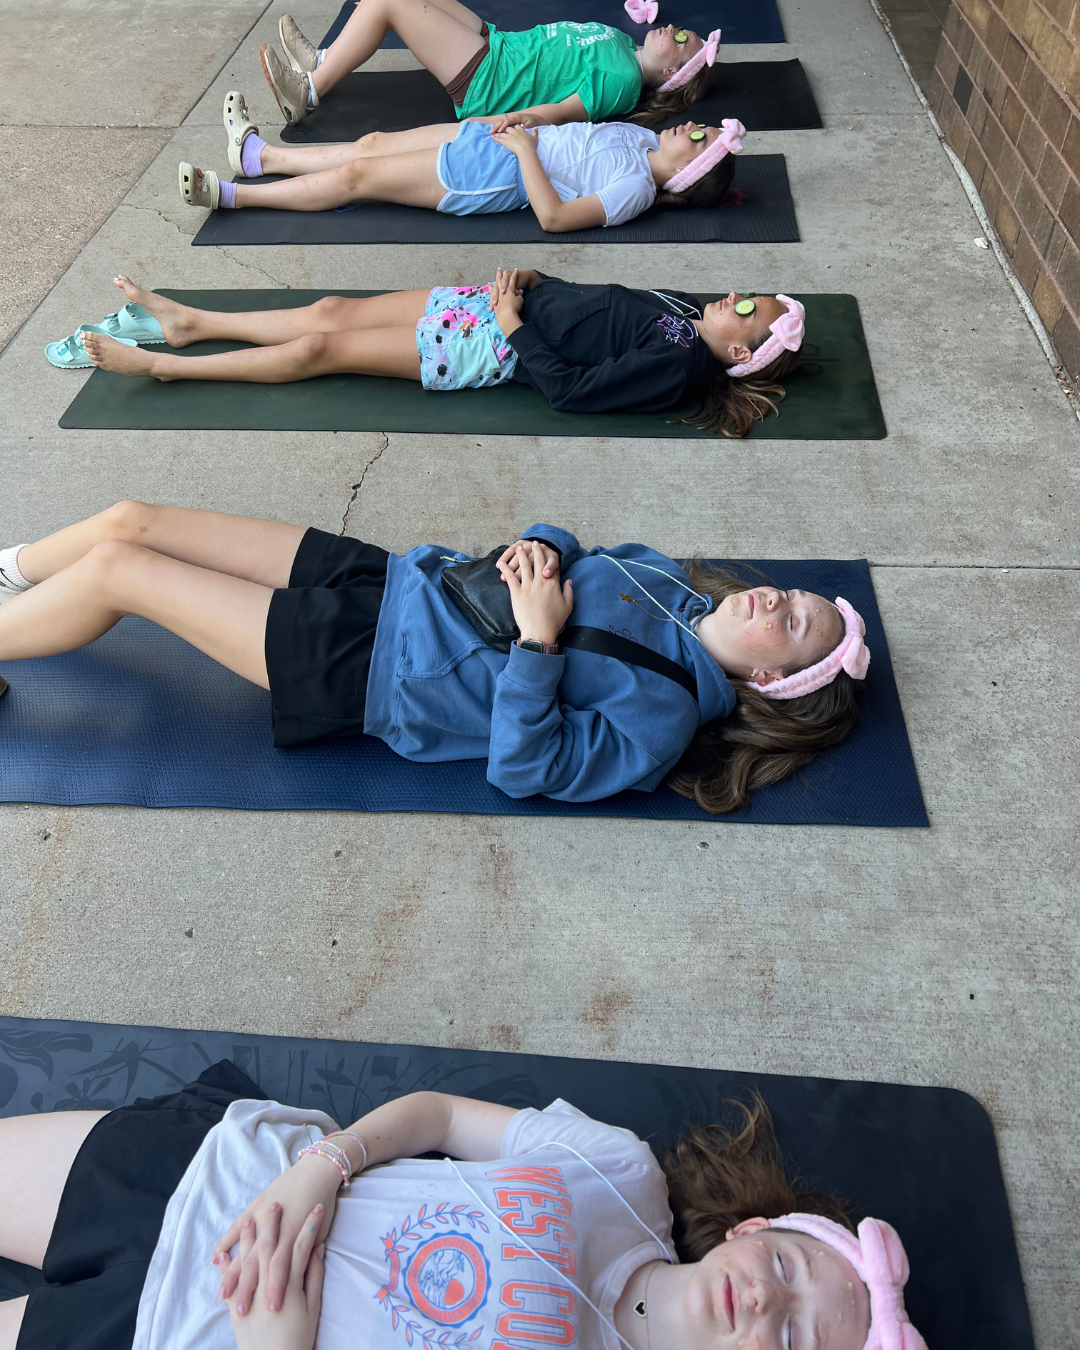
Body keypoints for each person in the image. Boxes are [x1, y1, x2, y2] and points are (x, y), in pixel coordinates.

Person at [0, 500, 870, 812]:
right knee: (129, 522)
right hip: (391, 578)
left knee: (123, 572)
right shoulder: (662, 575)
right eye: (793, 598)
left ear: (767, 682)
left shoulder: (665, 720)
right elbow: (566, 537)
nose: (776, 599)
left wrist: (538, 638)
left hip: (368, 668)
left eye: (790, 627)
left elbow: (526, 767)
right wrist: (539, 549)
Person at [0, 1068, 928, 1350]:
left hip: (160, 1336)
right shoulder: (622, 1172)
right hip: (215, 1179)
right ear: (753, 1234)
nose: (767, 1303)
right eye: (786, 1271)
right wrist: (322, 1166)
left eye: (801, 1342)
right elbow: (437, 1118)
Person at [67, 272, 807, 438]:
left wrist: (514, 319)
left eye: (747, 307)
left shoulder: (682, 361)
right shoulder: (686, 313)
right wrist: (534, 284)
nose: (734, 298)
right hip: (490, 304)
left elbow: (573, 391)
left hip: (490, 342)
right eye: (747, 292)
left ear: (740, 345)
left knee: (322, 347)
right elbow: (601, 307)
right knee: (331, 310)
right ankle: (194, 321)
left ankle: (169, 365)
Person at [178, 89, 745, 235]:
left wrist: (523, 150)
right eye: (700, 125)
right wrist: (522, 120)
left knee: (359, 178)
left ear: (688, 172)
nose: (689, 125)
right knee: (371, 143)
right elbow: (565, 127)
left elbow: (554, 218)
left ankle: (231, 195)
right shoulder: (638, 140)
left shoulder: (637, 189)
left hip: (495, 175)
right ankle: (261, 156)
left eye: (699, 136)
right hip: (500, 139)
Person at [258, 6, 720, 129]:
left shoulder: (621, 81)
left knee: (387, 4)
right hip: (498, 44)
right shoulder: (620, 40)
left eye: (682, 40)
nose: (674, 28)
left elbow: (558, 115)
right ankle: (323, 61)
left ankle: (309, 90)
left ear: (670, 74)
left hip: (493, 79)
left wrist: (490, 125)